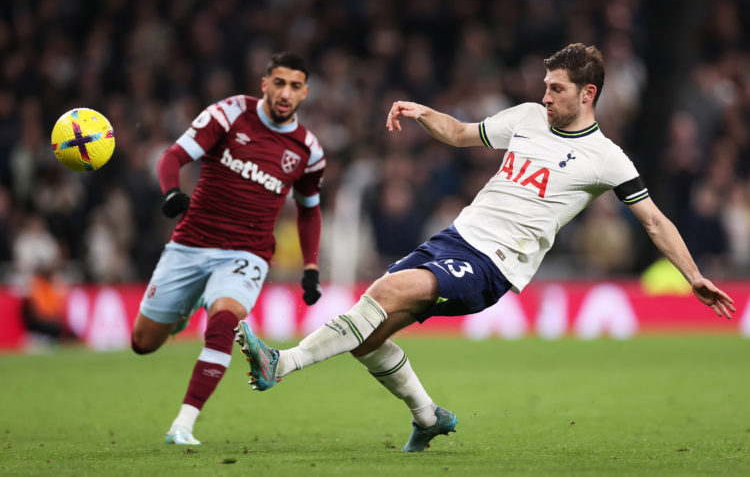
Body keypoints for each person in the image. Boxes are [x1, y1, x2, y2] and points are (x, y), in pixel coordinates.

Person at [234, 43, 736, 452]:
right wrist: (420, 111)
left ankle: (282, 364)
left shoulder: (607, 159)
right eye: (545, 87)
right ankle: (428, 417)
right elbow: (459, 134)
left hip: (493, 266)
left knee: (385, 293)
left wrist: (692, 275)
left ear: (588, 94)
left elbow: (653, 219)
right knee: (365, 337)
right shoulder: (525, 117)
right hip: (454, 238)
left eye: (556, 90)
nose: (545, 97)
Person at [131, 52, 326, 445]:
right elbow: (173, 157)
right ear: (264, 84)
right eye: (279, 82)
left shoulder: (308, 151)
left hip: (247, 253)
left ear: (305, 92)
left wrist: (310, 267)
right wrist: (171, 192)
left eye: (294, 86)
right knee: (142, 343)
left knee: (223, 322)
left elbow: (309, 212)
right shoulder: (229, 114)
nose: (285, 92)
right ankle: (183, 309)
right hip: (191, 243)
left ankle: (183, 424)